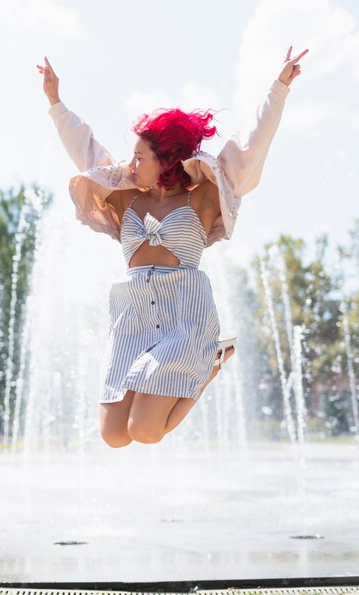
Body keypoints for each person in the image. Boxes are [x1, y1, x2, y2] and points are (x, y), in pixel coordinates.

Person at [37, 46, 308, 448]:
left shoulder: (202, 199)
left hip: (183, 311)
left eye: (139, 156)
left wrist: (278, 91)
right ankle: (206, 363)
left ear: (166, 161)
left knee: (144, 432)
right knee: (113, 435)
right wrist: (56, 103)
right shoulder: (126, 197)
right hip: (131, 313)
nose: (131, 164)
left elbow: (248, 150)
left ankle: (207, 366)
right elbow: (88, 154)